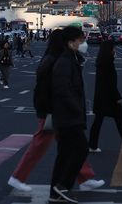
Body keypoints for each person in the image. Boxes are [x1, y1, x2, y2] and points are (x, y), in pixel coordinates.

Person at [8, 30, 103, 193]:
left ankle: (85, 178)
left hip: (56, 110)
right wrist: (49, 111)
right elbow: (47, 90)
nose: (81, 44)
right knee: (43, 145)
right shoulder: (56, 61)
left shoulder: (56, 58)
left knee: (71, 146)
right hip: (53, 111)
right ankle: (18, 177)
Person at [48, 26, 89, 204]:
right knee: (81, 149)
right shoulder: (65, 62)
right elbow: (62, 90)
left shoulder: (71, 59)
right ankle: (63, 185)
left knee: (64, 154)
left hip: (66, 116)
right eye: (80, 41)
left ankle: (55, 192)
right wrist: (77, 109)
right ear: (71, 42)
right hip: (68, 117)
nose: (83, 44)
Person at [88, 40, 122, 152]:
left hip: (101, 98)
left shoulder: (101, 62)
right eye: (113, 49)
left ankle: (92, 145)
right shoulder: (108, 64)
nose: (114, 51)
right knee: (119, 121)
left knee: (98, 122)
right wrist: (117, 97)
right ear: (109, 50)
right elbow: (110, 83)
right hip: (110, 99)